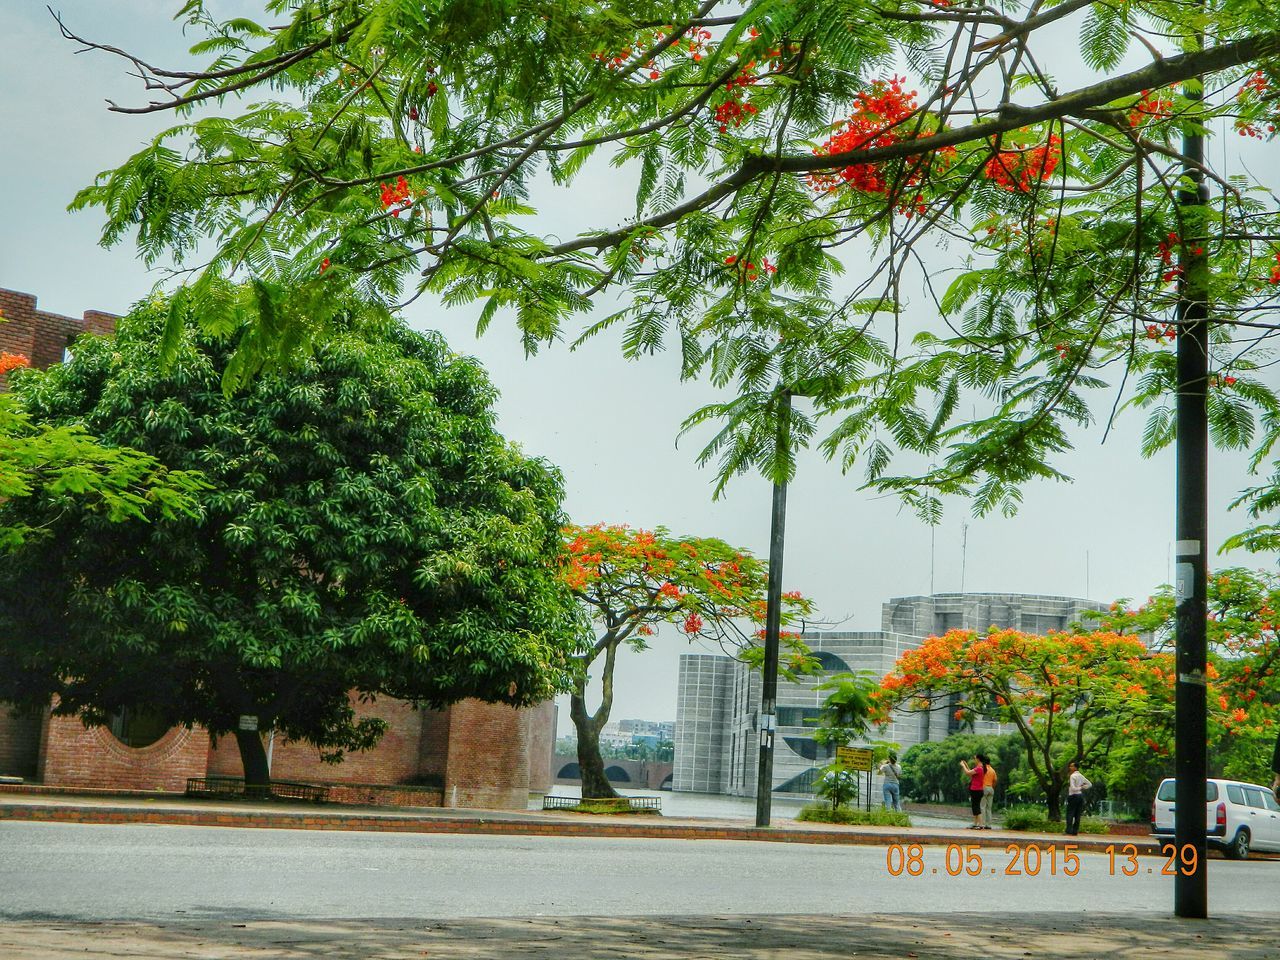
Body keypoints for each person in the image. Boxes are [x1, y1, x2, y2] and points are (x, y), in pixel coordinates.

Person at [1065, 761, 1091, 836]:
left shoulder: (1072, 776)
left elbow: (1073, 788)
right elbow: (1089, 784)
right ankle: (1075, 831)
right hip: (1080, 796)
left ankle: (1069, 830)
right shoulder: (1081, 776)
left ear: (1075, 767)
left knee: (1070, 813)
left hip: (1073, 796)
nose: (1070, 767)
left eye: (1071, 766)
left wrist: (1079, 788)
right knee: (1077, 814)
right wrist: (1082, 787)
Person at [959, 754, 986, 829]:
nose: (974, 760)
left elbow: (967, 773)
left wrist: (962, 765)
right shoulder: (979, 768)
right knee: (975, 807)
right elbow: (970, 774)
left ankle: (980, 825)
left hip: (976, 790)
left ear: (978, 759)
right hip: (976, 790)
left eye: (975, 758)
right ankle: (975, 823)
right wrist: (966, 765)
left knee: (976, 807)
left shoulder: (979, 768)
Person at [979, 753, 997, 829]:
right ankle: (988, 825)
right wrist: (992, 787)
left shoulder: (983, 769)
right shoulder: (993, 770)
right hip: (991, 789)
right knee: (989, 808)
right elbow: (995, 780)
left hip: (984, 788)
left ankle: (982, 824)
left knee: (982, 807)